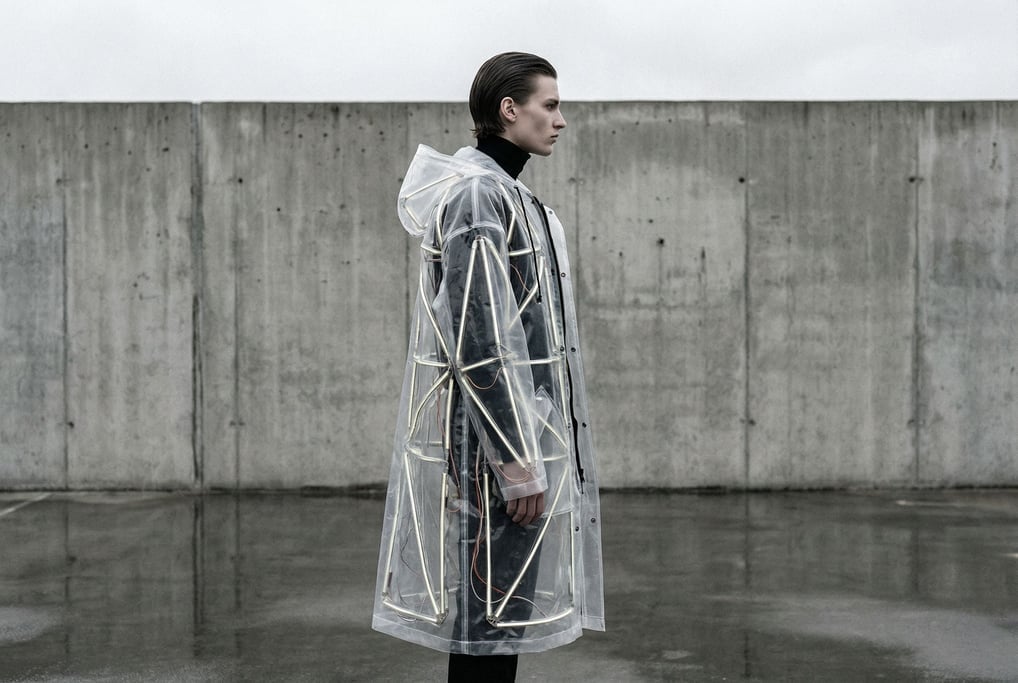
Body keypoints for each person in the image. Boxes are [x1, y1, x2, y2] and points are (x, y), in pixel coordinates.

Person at [372, 52, 604, 682]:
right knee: (488, 628)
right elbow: (476, 340)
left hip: (515, 440)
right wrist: (514, 460)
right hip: (492, 450)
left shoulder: (511, 197)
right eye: (549, 105)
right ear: (510, 109)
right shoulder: (477, 195)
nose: (560, 120)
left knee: (499, 624)